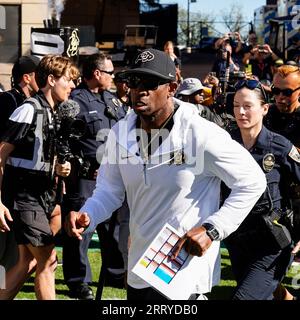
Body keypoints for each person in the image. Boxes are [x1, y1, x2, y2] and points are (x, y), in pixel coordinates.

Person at [65, 48, 267, 301]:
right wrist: (89, 214)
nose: (140, 90)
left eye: (150, 83)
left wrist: (213, 229)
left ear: (171, 88)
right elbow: (109, 190)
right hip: (140, 264)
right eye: (134, 82)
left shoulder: (200, 133)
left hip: (184, 268)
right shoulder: (119, 134)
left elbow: (252, 181)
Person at [0, 54, 78, 300]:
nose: (73, 86)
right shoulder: (28, 109)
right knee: (48, 260)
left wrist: (60, 169)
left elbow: (38, 156)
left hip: (42, 197)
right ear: (52, 80)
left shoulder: (54, 112)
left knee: (27, 262)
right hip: (24, 197)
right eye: (68, 79)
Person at [223, 79, 300, 300]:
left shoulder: (279, 146)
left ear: (265, 109)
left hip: (272, 243)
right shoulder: (225, 143)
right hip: (238, 241)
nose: (240, 112)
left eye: (247, 106)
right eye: (236, 105)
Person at [62, 52, 127, 300]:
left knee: (114, 229)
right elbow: (65, 140)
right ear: (97, 73)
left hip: (113, 175)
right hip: (85, 176)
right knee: (82, 229)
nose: (113, 77)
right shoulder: (77, 101)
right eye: (110, 72)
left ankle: (114, 273)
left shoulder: (114, 101)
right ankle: (79, 281)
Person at [0, 55, 40, 272]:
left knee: (12, 258)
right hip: (3, 190)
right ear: (27, 77)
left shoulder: (33, 104)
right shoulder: (7, 101)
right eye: (39, 74)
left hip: (17, 192)